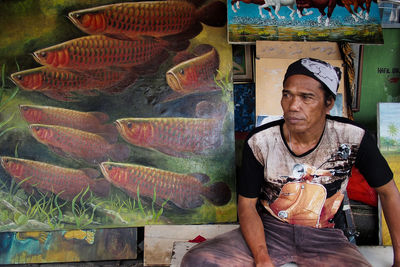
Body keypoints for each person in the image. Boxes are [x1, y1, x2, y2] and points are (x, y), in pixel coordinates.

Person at [181, 58, 400, 267]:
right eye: (287, 95)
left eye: (307, 97)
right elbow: (247, 205)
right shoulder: (261, 141)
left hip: (325, 237)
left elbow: (389, 192)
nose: (293, 106)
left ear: (328, 103)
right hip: (270, 231)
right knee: (198, 260)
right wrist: (262, 257)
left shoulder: (353, 138)